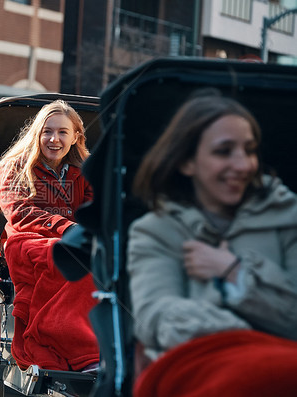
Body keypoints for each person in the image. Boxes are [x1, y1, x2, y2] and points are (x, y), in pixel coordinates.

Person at [127, 93, 297, 396]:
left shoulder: (288, 218)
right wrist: (248, 338)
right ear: (187, 162)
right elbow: (157, 316)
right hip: (205, 371)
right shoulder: (156, 231)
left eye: (249, 150)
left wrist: (236, 273)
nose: (243, 165)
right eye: (224, 151)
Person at [0, 100, 99, 372]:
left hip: (71, 239)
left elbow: (95, 211)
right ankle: (56, 342)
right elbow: (19, 212)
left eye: (63, 132)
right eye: (47, 131)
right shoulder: (15, 166)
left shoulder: (85, 172)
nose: (54, 139)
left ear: (76, 137)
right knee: (68, 256)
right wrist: (66, 227)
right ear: (36, 133)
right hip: (25, 240)